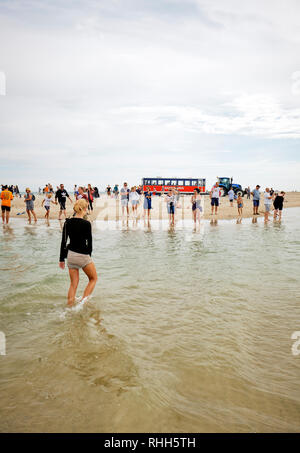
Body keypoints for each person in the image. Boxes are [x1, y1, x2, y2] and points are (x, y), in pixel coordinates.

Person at [59, 199, 97, 307]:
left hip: (70, 256)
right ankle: (82, 303)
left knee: (73, 284)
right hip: (83, 255)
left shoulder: (67, 222)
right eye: (87, 209)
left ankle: (69, 308)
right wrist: (88, 258)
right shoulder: (87, 224)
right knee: (93, 279)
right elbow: (89, 244)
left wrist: (61, 259)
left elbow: (63, 241)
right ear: (84, 209)